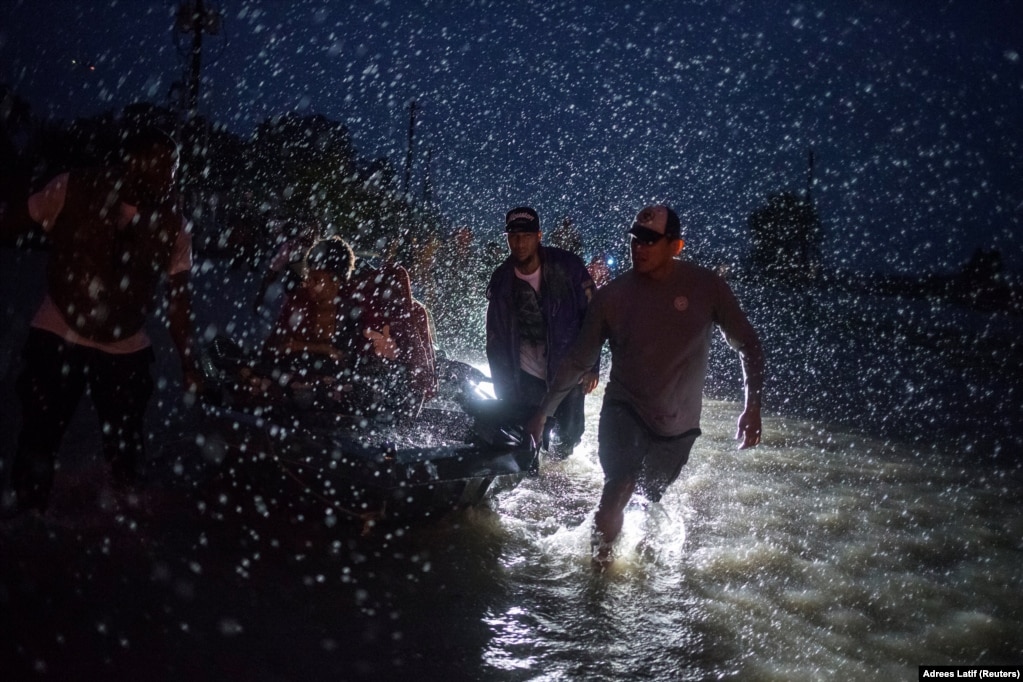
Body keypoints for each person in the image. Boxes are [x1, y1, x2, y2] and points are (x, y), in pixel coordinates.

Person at [526, 205, 764, 568]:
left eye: (650, 241)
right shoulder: (613, 298)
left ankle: (643, 565)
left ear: (676, 245)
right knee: (618, 485)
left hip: (678, 427)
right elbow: (576, 360)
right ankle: (597, 582)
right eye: (635, 239)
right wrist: (544, 412)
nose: (639, 247)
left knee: (648, 496)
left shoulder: (707, 288)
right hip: (625, 409)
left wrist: (752, 407)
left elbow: (748, 345)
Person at [4, 128, 202, 516]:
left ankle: (125, 521)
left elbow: (179, 302)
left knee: (127, 445)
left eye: (175, 167)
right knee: (39, 436)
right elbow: (13, 221)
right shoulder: (71, 188)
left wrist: (189, 363)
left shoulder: (174, 226)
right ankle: (29, 519)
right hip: (57, 331)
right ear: (131, 162)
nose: (171, 176)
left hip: (125, 345)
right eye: (163, 165)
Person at [486, 206, 598, 460]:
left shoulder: (568, 267)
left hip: (567, 370)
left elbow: (593, 318)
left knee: (570, 436)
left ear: (539, 236)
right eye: (513, 236)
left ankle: (558, 478)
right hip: (524, 373)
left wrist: (593, 366)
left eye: (526, 236)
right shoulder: (502, 280)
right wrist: (503, 389)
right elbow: (495, 340)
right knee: (529, 438)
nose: (520, 243)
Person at [261, 235, 355, 369]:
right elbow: (275, 347)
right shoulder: (298, 302)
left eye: (315, 280)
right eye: (307, 277)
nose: (306, 284)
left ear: (336, 282)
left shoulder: (352, 311)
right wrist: (323, 349)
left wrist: (303, 347)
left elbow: (349, 360)